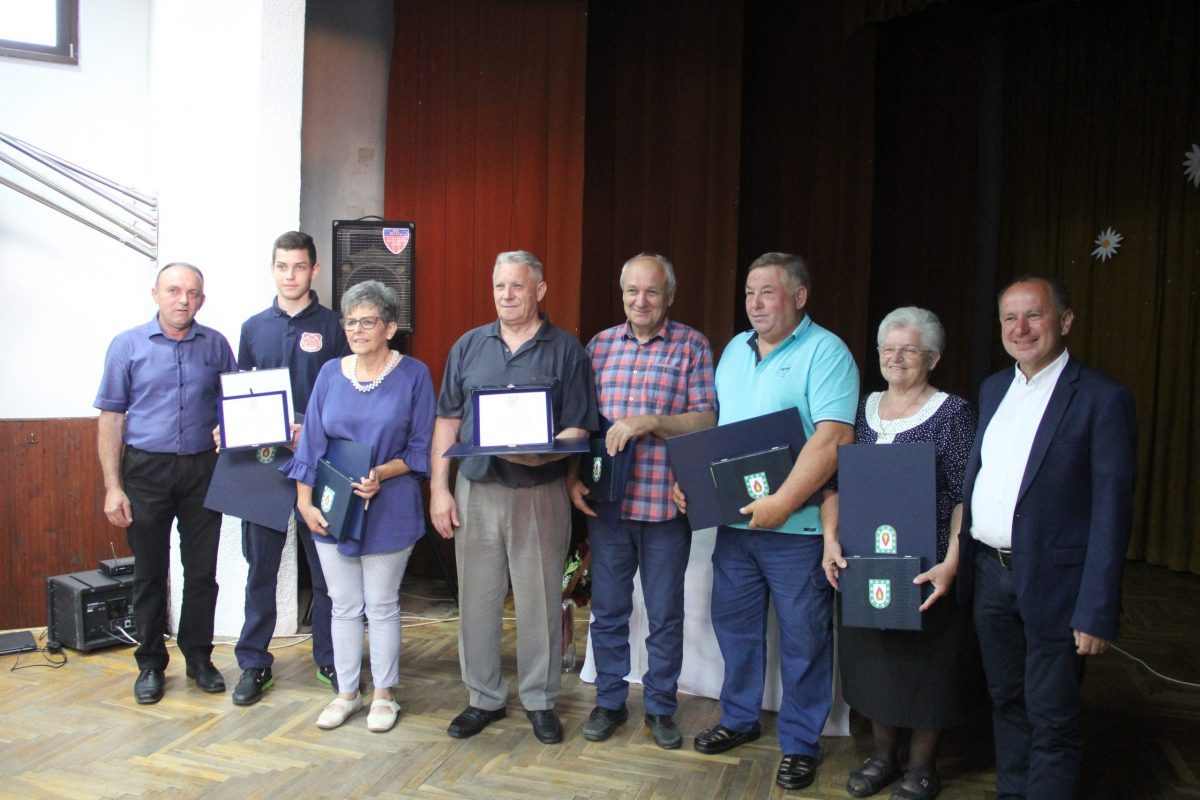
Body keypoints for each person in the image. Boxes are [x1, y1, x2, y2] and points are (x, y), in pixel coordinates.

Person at [682, 252, 858, 791]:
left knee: (805, 639)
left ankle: (802, 743)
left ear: (799, 297)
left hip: (797, 530)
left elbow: (834, 440)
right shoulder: (735, 349)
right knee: (734, 630)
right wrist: (691, 480)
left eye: (768, 292)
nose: (755, 303)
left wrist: (783, 501)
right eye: (749, 293)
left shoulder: (828, 352)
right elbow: (719, 428)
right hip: (736, 528)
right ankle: (738, 718)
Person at [958, 277, 1136, 799]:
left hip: (1058, 585)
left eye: (1033, 315)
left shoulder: (1102, 398)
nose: (1020, 328)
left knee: (1053, 713)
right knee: (1006, 699)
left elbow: (1111, 513)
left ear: (1065, 320)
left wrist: (1096, 610)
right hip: (990, 575)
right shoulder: (993, 389)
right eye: (1010, 318)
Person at [430, 250, 598, 745]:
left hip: (540, 493)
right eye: (500, 285)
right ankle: (483, 698)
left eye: (518, 287)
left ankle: (540, 700)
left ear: (540, 291)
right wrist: (439, 487)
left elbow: (578, 426)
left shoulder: (566, 350)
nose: (507, 295)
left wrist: (542, 457)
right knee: (477, 601)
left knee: (540, 600)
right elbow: (447, 422)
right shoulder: (468, 346)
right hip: (477, 489)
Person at [822, 307, 982, 800]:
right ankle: (881, 758)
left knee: (928, 668)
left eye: (908, 349)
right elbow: (834, 484)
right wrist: (831, 538)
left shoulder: (953, 412)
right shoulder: (861, 408)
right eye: (888, 348)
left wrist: (952, 560)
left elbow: (962, 495)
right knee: (874, 662)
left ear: (931, 357)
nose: (896, 358)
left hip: (928, 565)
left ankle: (922, 768)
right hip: (863, 563)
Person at [567, 253, 717, 749]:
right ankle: (609, 702)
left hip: (665, 507)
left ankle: (659, 707)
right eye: (632, 291)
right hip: (608, 507)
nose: (641, 301)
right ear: (622, 294)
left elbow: (706, 420)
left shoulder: (692, 346)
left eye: (651, 291)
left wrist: (651, 421)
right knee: (608, 612)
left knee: (664, 614)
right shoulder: (600, 346)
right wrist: (573, 478)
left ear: (669, 296)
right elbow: (584, 424)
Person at [285, 280, 435, 732]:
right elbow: (310, 443)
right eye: (350, 321)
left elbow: (420, 449)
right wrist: (305, 503)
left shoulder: (414, 375)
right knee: (343, 604)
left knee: (382, 604)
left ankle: (384, 694)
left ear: (389, 327)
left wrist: (381, 475)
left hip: (390, 505)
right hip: (331, 508)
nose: (357, 329)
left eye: (368, 321)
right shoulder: (331, 372)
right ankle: (347, 693)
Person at [95, 263, 236, 704]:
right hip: (145, 472)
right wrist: (113, 486)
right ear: (155, 293)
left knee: (201, 572)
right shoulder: (127, 346)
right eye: (174, 291)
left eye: (192, 293)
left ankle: (198, 658)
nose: (183, 300)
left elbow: (236, 403)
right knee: (150, 573)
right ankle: (151, 664)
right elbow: (112, 417)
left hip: (201, 471)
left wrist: (227, 429)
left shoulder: (216, 345)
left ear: (202, 300)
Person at [229, 231, 351, 706]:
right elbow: (241, 396)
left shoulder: (338, 326)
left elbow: (346, 391)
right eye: (283, 266)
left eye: (299, 267)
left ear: (314, 271)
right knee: (260, 566)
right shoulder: (253, 327)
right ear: (273, 269)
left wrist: (311, 430)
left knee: (325, 567)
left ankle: (329, 657)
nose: (291, 275)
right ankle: (254, 664)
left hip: (321, 464)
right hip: (264, 464)